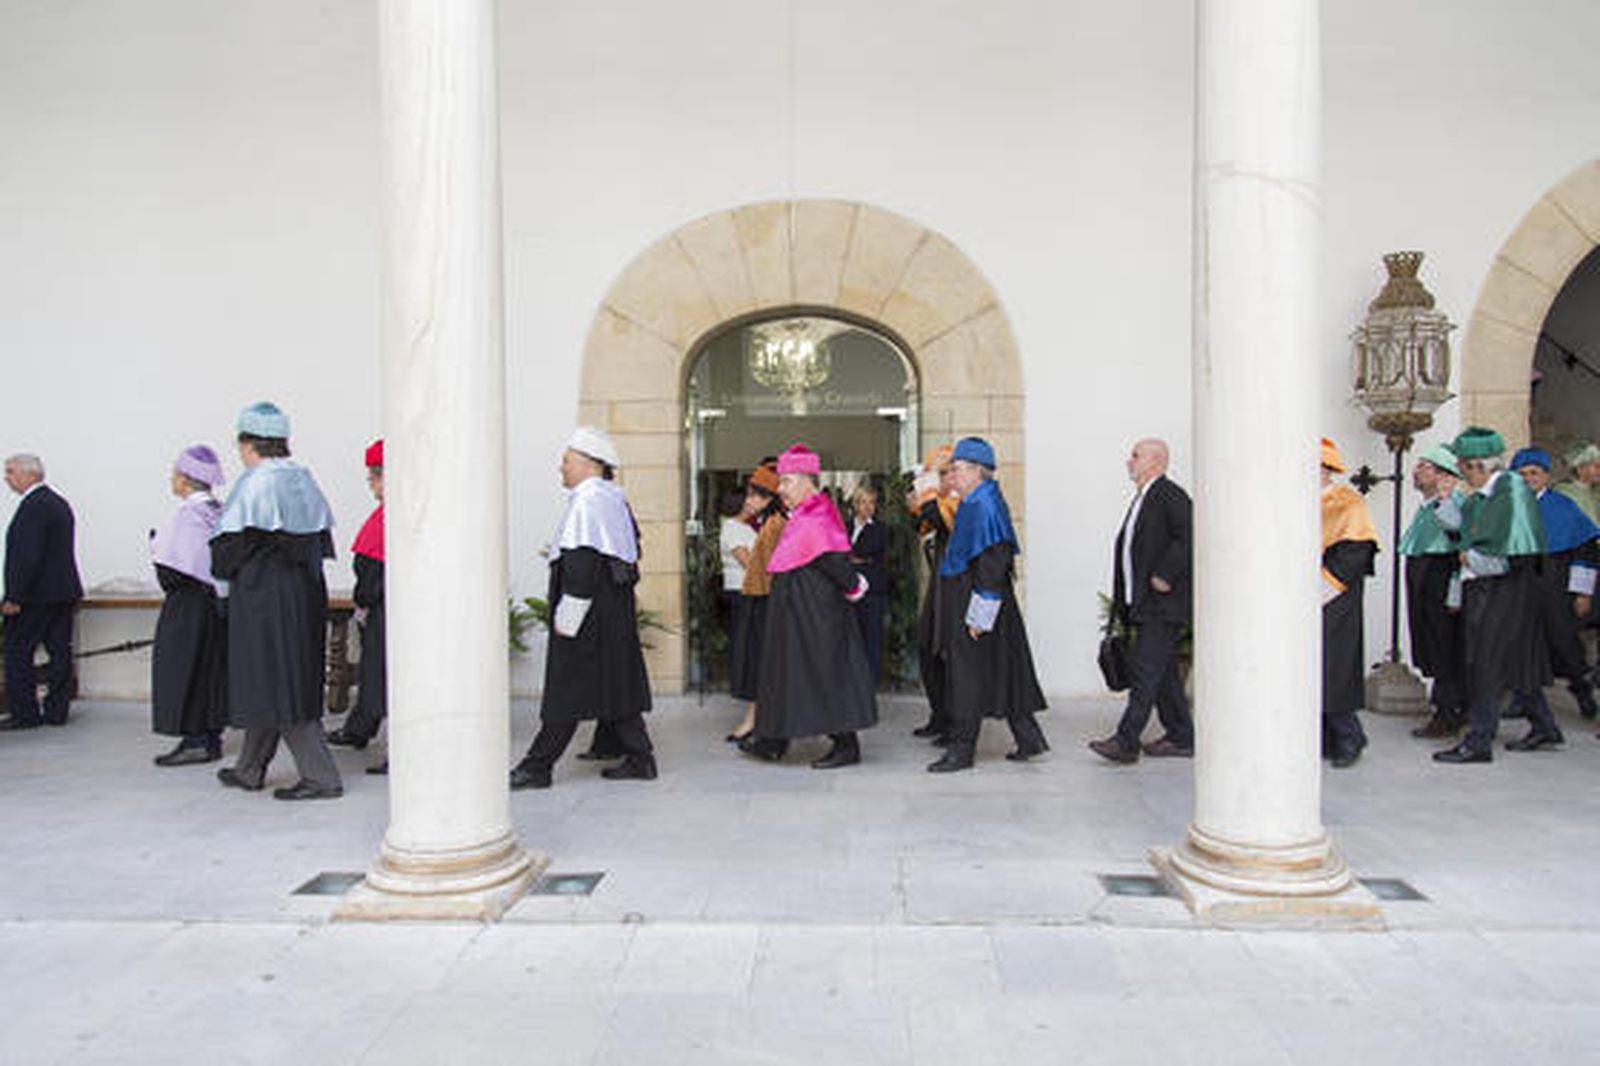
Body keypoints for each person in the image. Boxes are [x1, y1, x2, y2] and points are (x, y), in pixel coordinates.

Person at [211, 402, 344, 800]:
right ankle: (249, 768)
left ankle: (321, 777)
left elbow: (227, 549)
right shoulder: (303, 478)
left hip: (263, 598)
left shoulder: (256, 482)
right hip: (304, 592)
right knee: (278, 675)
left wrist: (221, 588)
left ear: (248, 443)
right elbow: (319, 542)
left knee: (278, 679)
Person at [510, 427, 655, 789]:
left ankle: (537, 766)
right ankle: (640, 758)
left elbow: (581, 563)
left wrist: (567, 616)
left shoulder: (588, 501)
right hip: (612, 610)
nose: (561, 469)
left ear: (589, 465)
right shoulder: (613, 499)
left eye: (566, 462)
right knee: (616, 683)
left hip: (587, 614)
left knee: (567, 689)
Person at [739, 445, 876, 768]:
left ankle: (846, 745)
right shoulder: (804, 513)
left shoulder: (818, 513)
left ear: (805, 481)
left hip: (816, 613)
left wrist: (855, 588)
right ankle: (773, 739)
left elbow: (834, 562)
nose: (781, 489)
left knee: (823, 673)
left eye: (786, 482)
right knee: (784, 671)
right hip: (796, 611)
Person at [1434, 426, 1554, 763]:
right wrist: (1443, 502)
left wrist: (1471, 558)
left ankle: (1479, 741)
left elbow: (1518, 553)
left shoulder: (1511, 490)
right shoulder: (1483, 495)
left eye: (1462, 468)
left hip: (1506, 590)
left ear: (1477, 465)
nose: (1461, 475)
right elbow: (1463, 530)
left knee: (1485, 663)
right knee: (1511, 660)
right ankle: (1545, 726)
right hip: (1487, 589)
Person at [927, 437, 1048, 772]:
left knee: (967, 676)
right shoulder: (977, 500)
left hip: (978, 605)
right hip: (984, 603)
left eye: (957, 469)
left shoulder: (982, 505)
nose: (953, 476)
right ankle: (1029, 737)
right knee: (1004, 668)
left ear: (975, 471)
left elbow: (994, 565)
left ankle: (961, 750)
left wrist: (979, 616)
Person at [1088, 438, 1194, 764]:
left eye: (1135, 456)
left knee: (1146, 671)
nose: (1128, 461)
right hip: (1145, 604)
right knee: (1161, 675)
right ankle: (1181, 736)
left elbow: (1190, 535)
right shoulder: (1144, 498)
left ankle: (1126, 740)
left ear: (1156, 461)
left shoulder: (1170, 495)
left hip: (1163, 605)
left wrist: (1165, 573)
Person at [149, 445, 229, 765]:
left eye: (174, 474)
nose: (172, 479)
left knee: (185, 669)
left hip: (189, 605)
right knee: (211, 670)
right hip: (216, 603)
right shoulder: (219, 510)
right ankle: (210, 736)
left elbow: (172, 571)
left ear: (185, 479)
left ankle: (194, 738)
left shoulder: (188, 515)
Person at [1511, 446, 1598, 720]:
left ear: (1546, 476)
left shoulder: (1563, 506)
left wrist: (1583, 592)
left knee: (1563, 642)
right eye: (1522, 474)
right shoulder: (1509, 507)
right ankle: (1521, 698)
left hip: (1555, 584)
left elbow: (1585, 549)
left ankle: (1582, 689)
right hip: (1520, 585)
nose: (1528, 479)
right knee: (1520, 643)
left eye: (1534, 473)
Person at [2, 454, 83, 730]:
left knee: (16, 651)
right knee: (60, 651)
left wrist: (14, 595)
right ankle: (57, 710)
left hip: (35, 596)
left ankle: (25, 713)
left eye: (10, 472)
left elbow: (27, 555)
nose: (7, 478)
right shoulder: (57, 503)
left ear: (30, 475)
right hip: (62, 592)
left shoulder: (33, 506)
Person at [328, 440, 390, 773]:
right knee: (374, 674)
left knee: (385, 678)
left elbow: (372, 571)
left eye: (373, 478)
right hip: (380, 608)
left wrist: (364, 602)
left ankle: (398, 750)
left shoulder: (391, 515)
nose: (371, 485)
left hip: (385, 611)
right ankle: (359, 727)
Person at [1319, 438, 1379, 768]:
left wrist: (1321, 588)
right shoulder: (1292, 499)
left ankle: (1349, 736)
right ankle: (1326, 736)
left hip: (1334, 596)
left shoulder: (1348, 503)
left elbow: (1356, 552)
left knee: (1334, 668)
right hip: (1298, 598)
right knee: (1310, 670)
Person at [1400, 444, 1468, 739]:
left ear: (1444, 474)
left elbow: (1460, 547)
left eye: (1424, 466)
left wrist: (1455, 592)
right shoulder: (1427, 506)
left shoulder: (1454, 504)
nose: (1416, 471)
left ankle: (1448, 711)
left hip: (1440, 579)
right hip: (1425, 579)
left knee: (1444, 647)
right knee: (1431, 643)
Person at [726, 462, 783, 743]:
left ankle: (763, 727)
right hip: (759, 598)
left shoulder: (775, 524)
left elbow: (762, 566)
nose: (748, 501)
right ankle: (759, 724)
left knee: (766, 664)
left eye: (753, 495)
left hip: (767, 599)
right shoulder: (768, 524)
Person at [906, 445, 958, 742]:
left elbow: (938, 518)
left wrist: (926, 494)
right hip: (939, 585)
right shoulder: (942, 500)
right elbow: (922, 526)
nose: (937, 480)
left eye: (940, 473)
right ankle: (939, 715)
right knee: (928, 650)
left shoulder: (961, 501)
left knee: (948, 656)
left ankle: (953, 722)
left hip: (955, 588)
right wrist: (917, 501)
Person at [847, 483, 889, 687]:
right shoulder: (845, 526)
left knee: (871, 639)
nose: (868, 507)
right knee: (849, 639)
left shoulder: (879, 528)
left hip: (872, 591)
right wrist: (856, 559)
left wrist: (856, 558)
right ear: (855, 504)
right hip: (847, 590)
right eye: (863, 502)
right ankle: (850, 684)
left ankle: (869, 685)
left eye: (872, 503)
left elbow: (870, 551)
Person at [718, 485, 758, 693]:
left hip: (747, 591)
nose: (753, 503)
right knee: (743, 641)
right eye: (749, 498)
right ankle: (743, 686)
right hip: (740, 591)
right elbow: (749, 563)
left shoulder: (745, 527)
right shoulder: (732, 528)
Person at [1554, 441, 1600, 525]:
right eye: (1597, 467)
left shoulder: (1595, 491)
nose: (1599, 471)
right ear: (1580, 469)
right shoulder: (1564, 493)